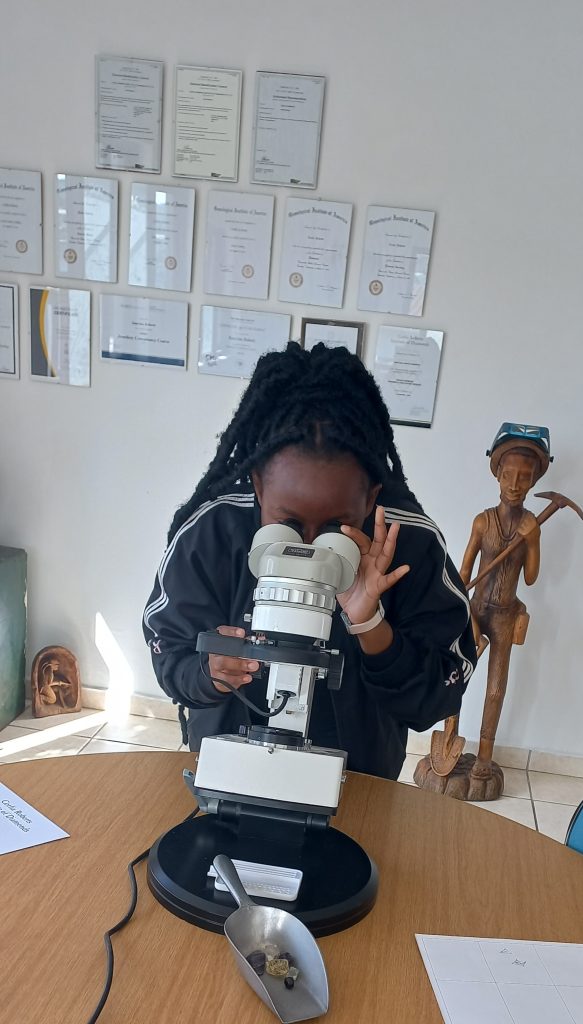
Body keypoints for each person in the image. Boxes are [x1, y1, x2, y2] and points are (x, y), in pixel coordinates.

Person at [143, 342, 476, 780]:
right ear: (259, 487)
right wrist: (210, 673)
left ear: (372, 495)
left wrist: (372, 625)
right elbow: (171, 652)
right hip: (226, 771)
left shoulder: (408, 544)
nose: (312, 549)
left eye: (337, 527)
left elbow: (436, 697)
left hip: (359, 782)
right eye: (289, 524)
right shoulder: (212, 533)